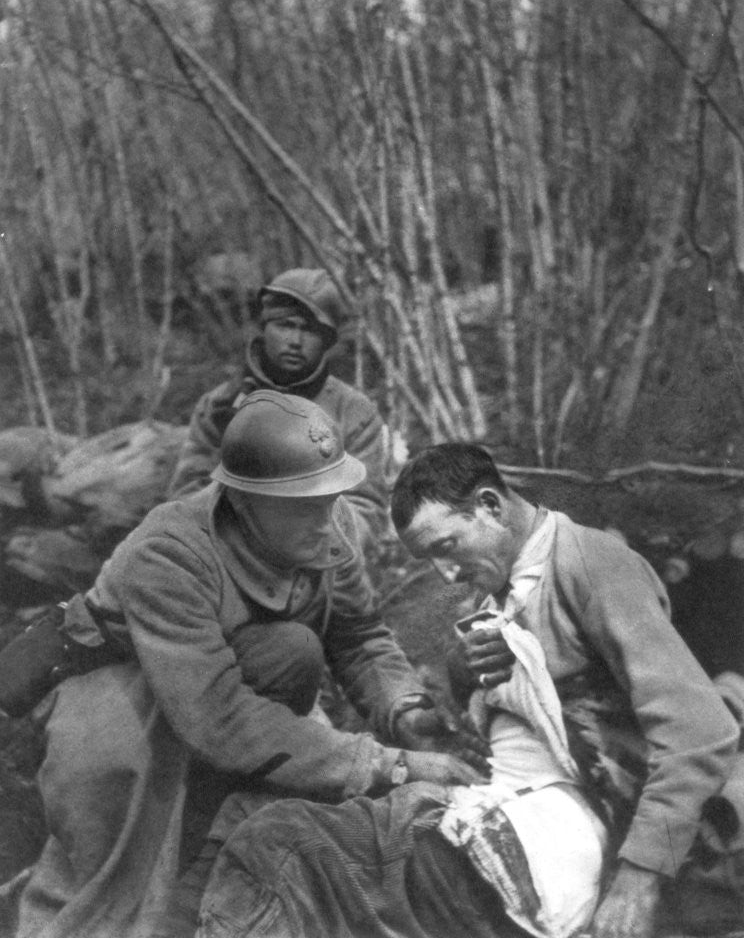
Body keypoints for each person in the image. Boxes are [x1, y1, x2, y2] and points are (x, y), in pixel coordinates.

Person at [189, 442, 742, 938]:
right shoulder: (504, 589)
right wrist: (467, 669)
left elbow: (700, 729)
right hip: (510, 799)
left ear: (490, 506)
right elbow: (547, 689)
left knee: (282, 844)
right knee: (254, 820)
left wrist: (640, 879)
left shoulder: (592, 564)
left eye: (447, 546)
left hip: (572, 821)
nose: (446, 574)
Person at [5, 400, 483, 938]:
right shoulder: (169, 550)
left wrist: (406, 712)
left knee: (294, 649)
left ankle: (219, 809)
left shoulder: (329, 523)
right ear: (243, 500)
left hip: (216, 678)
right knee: (113, 880)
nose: (328, 520)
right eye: (304, 503)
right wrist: (389, 765)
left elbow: (358, 635)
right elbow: (219, 716)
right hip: (112, 685)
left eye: (330, 497)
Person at [168, 266, 387, 549]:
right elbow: (186, 496)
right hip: (229, 555)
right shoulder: (219, 406)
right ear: (264, 329)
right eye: (284, 325)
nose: (295, 341)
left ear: (327, 341)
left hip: (319, 563)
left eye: (309, 330)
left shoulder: (354, 412)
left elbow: (366, 510)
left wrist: (305, 538)